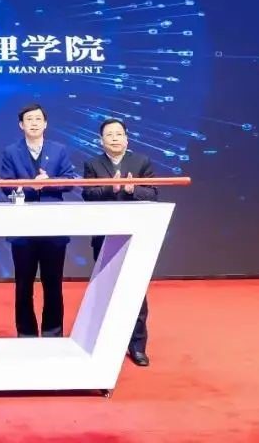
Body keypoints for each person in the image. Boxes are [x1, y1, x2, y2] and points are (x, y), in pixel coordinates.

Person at [0, 103, 80, 337]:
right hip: (22, 228)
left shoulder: (59, 149)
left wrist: (49, 183)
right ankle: (26, 334)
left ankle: (52, 333)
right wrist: (30, 186)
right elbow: (6, 185)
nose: (33, 123)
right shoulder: (11, 152)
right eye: (29, 119)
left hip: (52, 226)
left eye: (38, 119)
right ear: (21, 125)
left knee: (53, 283)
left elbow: (70, 181)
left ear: (45, 124)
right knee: (23, 284)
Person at [83, 117, 158, 366]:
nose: (114, 138)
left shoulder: (141, 161)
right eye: (109, 134)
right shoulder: (93, 164)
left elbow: (152, 193)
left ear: (126, 138)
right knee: (103, 289)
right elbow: (87, 194)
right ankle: (103, 343)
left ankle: (137, 346)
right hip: (104, 234)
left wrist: (130, 189)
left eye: (119, 134)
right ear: (101, 140)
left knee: (136, 290)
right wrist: (111, 188)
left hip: (134, 233)